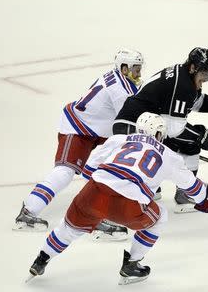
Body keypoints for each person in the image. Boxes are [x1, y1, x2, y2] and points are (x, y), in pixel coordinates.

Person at [26, 112, 208, 285]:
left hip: (93, 191)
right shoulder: (169, 155)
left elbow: (89, 169)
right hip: (129, 205)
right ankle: (132, 265)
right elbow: (193, 187)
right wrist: (206, 200)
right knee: (160, 217)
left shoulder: (118, 139)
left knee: (68, 229)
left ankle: (41, 259)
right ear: (159, 134)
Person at [14, 49, 144, 239]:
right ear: (123, 68)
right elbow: (129, 120)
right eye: (135, 69)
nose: (139, 73)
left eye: (140, 69)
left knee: (113, 167)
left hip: (97, 130)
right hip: (78, 128)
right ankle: (28, 212)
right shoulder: (119, 90)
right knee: (65, 172)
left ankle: (102, 211)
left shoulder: (122, 80)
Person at [112, 47, 208, 212]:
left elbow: (195, 101)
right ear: (193, 68)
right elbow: (173, 129)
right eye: (204, 73)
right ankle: (138, 193)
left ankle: (183, 193)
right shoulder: (182, 85)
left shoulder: (183, 77)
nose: (205, 78)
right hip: (130, 127)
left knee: (189, 145)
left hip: (138, 124)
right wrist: (200, 135)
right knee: (190, 142)